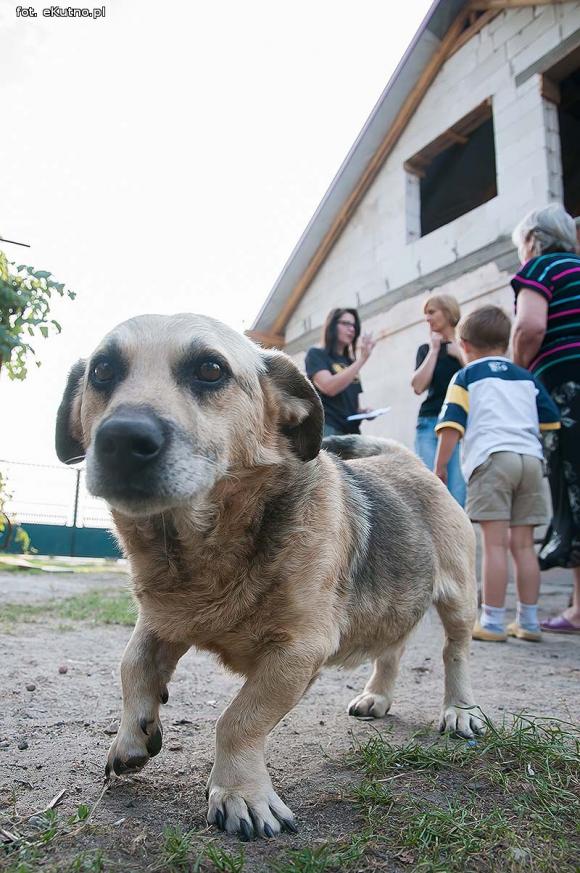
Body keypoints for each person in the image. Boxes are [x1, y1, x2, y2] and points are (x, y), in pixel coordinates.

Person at [434, 305, 560, 642]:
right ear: (506, 342)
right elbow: (550, 421)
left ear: (464, 345)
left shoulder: (465, 377)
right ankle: (529, 622)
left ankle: (491, 621)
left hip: (492, 459)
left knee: (494, 544)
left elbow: (451, 425)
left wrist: (441, 466)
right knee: (523, 546)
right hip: (530, 461)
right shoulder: (526, 377)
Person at [511, 204, 580, 634]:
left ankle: (578, 610)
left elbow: (530, 328)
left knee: (573, 492)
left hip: (566, 391)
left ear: (533, 239)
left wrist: (517, 374)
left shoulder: (541, 268)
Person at [412, 294, 466, 506]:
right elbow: (418, 386)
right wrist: (434, 351)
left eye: (431, 312)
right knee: (432, 492)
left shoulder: (466, 345)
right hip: (429, 424)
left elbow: (475, 376)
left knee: (458, 492)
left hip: (458, 426)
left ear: (448, 312)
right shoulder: (426, 350)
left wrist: (460, 353)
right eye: (425, 313)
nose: (427, 318)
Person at [305, 308, 375, 437]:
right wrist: (362, 359)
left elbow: (353, 405)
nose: (352, 329)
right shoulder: (316, 354)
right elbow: (328, 387)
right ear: (332, 325)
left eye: (354, 325)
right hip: (329, 430)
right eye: (346, 324)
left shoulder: (350, 362)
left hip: (352, 433)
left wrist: (364, 412)